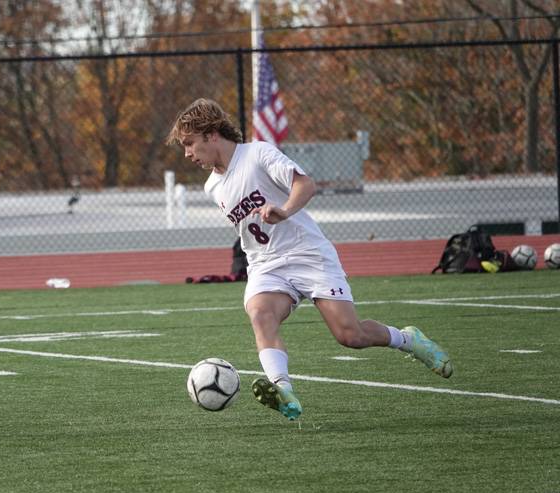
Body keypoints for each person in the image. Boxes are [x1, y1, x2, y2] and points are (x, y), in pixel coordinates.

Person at [166, 98, 452, 421]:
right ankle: (283, 389)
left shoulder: (257, 154)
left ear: (211, 134)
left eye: (190, 144)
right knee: (261, 315)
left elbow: (305, 184)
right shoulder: (211, 186)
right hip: (265, 265)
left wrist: (284, 210)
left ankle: (408, 339)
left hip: (307, 253)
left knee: (350, 335)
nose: (188, 154)